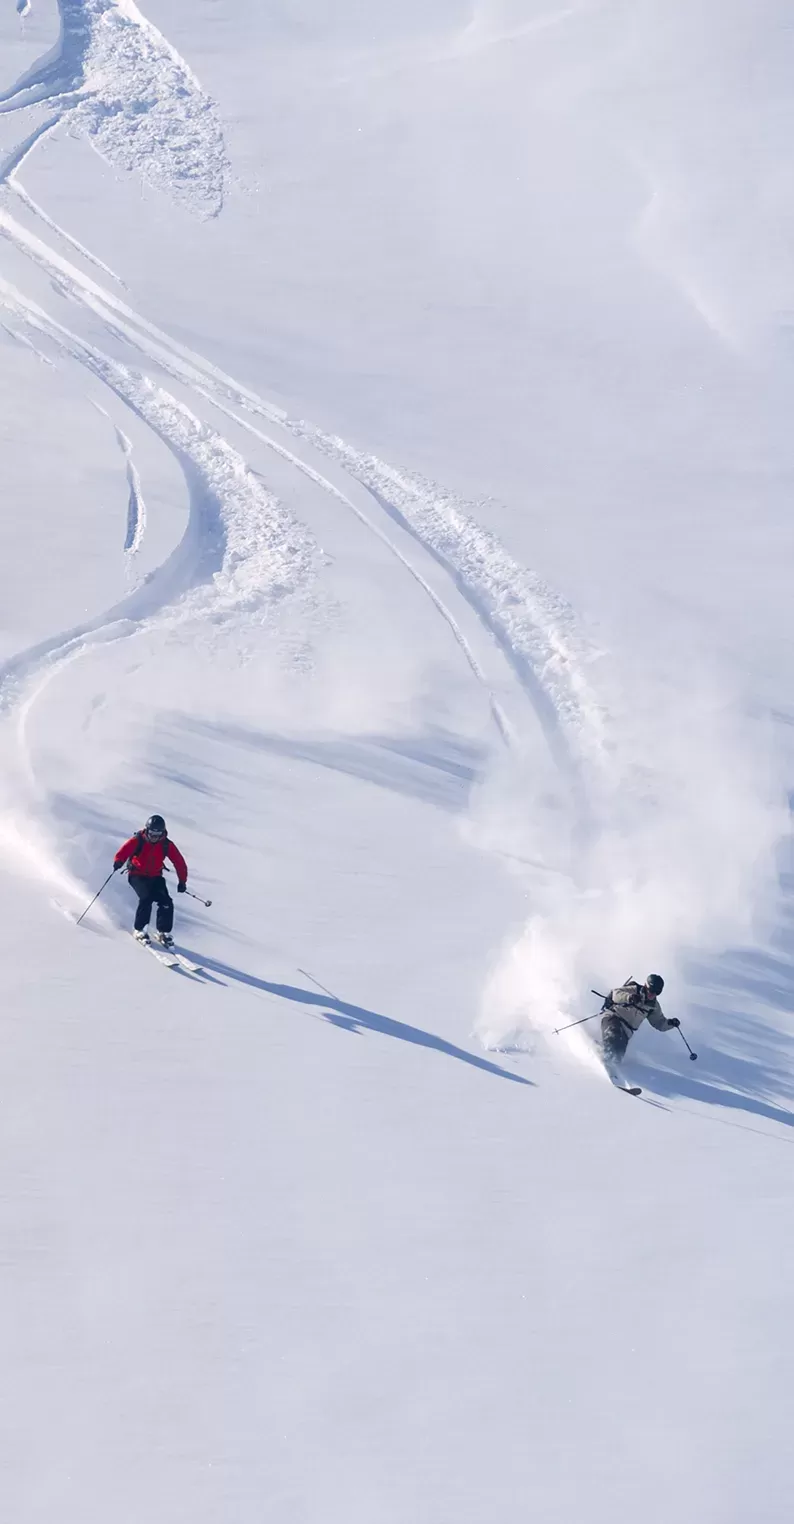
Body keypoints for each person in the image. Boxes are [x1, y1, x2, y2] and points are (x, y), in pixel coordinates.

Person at [113, 814, 188, 948]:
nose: (154, 837)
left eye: (157, 834)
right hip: (137, 875)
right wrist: (118, 861)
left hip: (155, 876)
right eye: (152, 833)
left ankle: (163, 932)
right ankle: (140, 929)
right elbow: (124, 851)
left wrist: (182, 881)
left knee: (166, 902)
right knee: (146, 898)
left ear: (162, 833)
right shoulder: (138, 840)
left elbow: (179, 862)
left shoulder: (166, 844)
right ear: (147, 830)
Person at [600, 974, 679, 1064]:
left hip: (627, 1030)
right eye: (651, 991)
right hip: (614, 1017)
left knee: (619, 1052)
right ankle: (604, 1060)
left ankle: (611, 1067)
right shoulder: (634, 989)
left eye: (656, 993)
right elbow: (616, 993)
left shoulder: (653, 1006)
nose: (652, 995)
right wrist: (629, 997)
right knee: (613, 1034)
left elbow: (659, 1023)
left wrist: (671, 1023)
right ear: (646, 986)